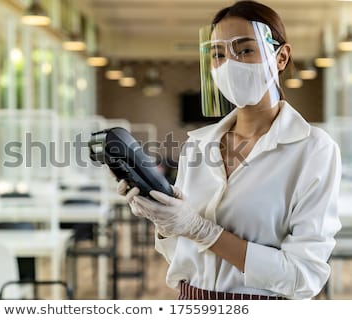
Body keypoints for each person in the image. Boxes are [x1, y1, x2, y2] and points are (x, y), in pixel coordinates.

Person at [117, 0, 342, 300]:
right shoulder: (197, 145)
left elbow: (304, 277)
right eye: (218, 54)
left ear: (281, 57)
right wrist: (165, 222)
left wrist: (203, 231)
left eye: (245, 50)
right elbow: (177, 256)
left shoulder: (314, 150)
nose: (229, 64)